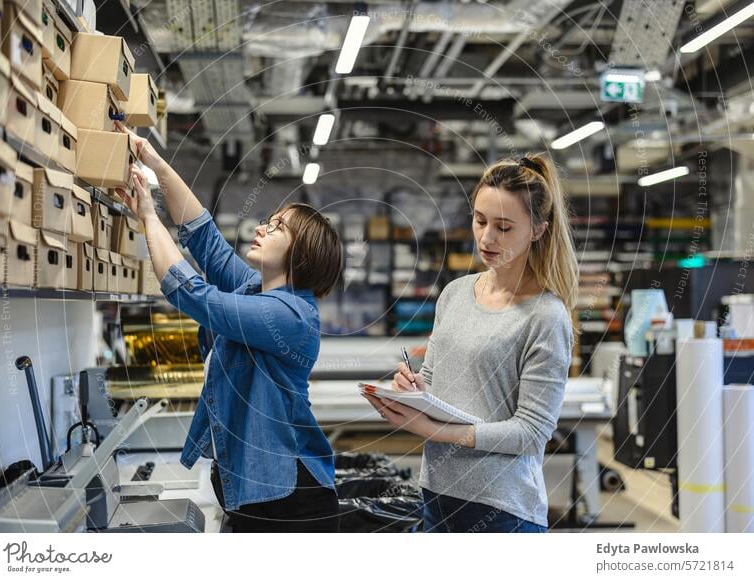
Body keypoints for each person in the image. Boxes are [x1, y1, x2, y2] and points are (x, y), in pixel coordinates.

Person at [113, 122, 344, 532]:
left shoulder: (290, 316)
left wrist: (148, 215)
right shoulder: (255, 290)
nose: (260, 228)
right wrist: (152, 161)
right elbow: (205, 240)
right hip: (254, 489)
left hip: (289, 498)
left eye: (276, 228)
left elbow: (193, 294)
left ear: (300, 254)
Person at [363, 154, 578, 533]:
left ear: (538, 229)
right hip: (436, 495)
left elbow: (531, 433)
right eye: (480, 220)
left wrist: (432, 431)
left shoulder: (545, 316)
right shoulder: (455, 293)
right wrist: (414, 389)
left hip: (502, 513)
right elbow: (434, 378)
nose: (486, 237)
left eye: (504, 227)